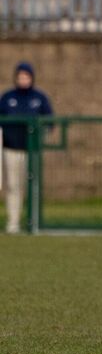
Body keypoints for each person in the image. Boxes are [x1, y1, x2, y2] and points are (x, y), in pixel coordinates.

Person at [0, 62, 53, 234]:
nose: (23, 80)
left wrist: (42, 136)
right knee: (13, 186)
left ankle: (34, 223)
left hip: (32, 151)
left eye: (26, 76)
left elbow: (49, 120)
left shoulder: (39, 98)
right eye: (20, 76)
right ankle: (13, 223)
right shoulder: (8, 98)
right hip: (11, 150)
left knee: (33, 186)